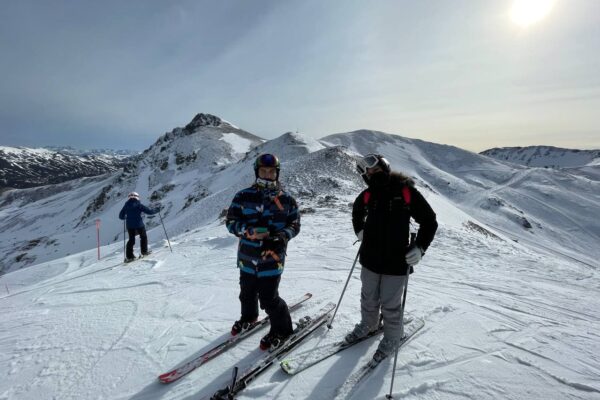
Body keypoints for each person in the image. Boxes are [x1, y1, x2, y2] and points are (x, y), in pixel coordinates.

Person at [346, 153, 437, 359]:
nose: (371, 173)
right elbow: (357, 212)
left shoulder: (405, 192)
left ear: (385, 167)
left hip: (396, 262)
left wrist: (420, 247)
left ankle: (393, 336)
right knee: (368, 298)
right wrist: (359, 230)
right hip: (369, 258)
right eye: (367, 171)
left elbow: (429, 221)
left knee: (390, 304)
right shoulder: (368, 195)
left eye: (375, 168)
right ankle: (368, 325)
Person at [225, 153, 301, 350]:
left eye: (271, 171)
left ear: (277, 173)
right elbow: (231, 222)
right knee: (246, 293)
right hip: (247, 258)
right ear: (257, 172)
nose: (267, 175)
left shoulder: (287, 200)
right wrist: (247, 231)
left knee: (269, 297)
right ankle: (248, 317)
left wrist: (281, 236)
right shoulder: (243, 196)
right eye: (263, 171)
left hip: (272, 258)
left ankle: (282, 329)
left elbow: (294, 224)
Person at [118, 192, 160, 262]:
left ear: (129, 197)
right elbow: (149, 212)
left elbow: (120, 216)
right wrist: (157, 210)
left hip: (129, 225)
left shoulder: (126, 205)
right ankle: (144, 252)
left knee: (131, 240)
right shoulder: (139, 205)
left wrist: (125, 216)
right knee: (143, 237)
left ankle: (129, 256)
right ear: (137, 197)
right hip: (139, 224)